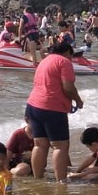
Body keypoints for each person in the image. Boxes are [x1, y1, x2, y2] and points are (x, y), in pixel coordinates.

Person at [25, 41, 84, 180]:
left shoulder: (44, 61)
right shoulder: (64, 62)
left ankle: (38, 178)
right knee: (60, 146)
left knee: (39, 145)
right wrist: (78, 100)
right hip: (52, 108)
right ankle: (61, 182)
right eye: (71, 56)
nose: (71, 59)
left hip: (33, 105)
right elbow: (68, 87)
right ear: (67, 53)